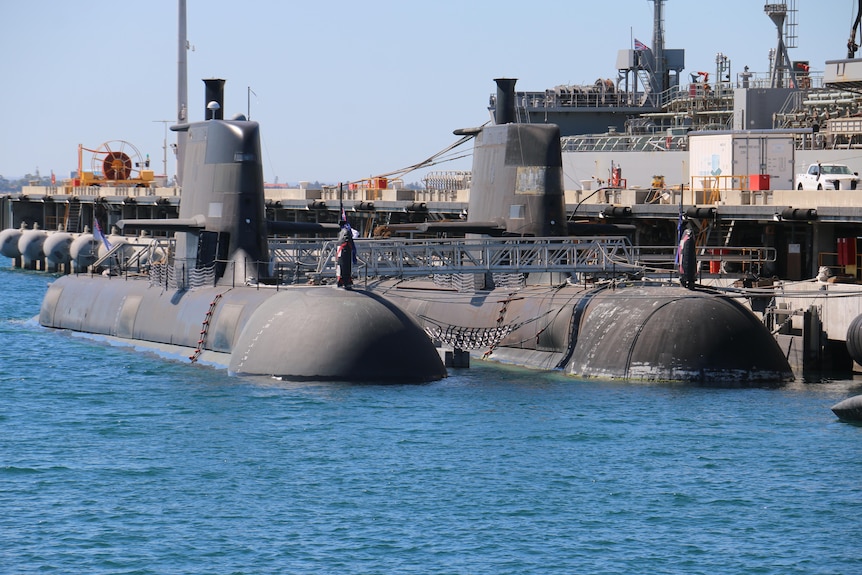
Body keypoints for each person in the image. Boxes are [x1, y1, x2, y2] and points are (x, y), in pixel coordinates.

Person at [336, 219, 356, 288]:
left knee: (340, 266)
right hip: (345, 251)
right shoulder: (346, 232)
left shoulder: (340, 233)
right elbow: (349, 242)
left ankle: (340, 281)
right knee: (345, 266)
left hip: (340, 251)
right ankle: (346, 281)